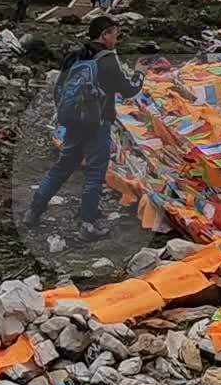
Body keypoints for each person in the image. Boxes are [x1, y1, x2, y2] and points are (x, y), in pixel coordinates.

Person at [25, 15, 139, 239]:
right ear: (104, 34)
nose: (116, 39)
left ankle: (34, 210)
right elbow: (126, 90)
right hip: (98, 124)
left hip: (74, 122)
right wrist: (139, 77)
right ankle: (87, 223)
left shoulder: (76, 57)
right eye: (114, 34)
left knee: (62, 167)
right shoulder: (108, 60)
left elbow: (60, 87)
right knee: (95, 172)